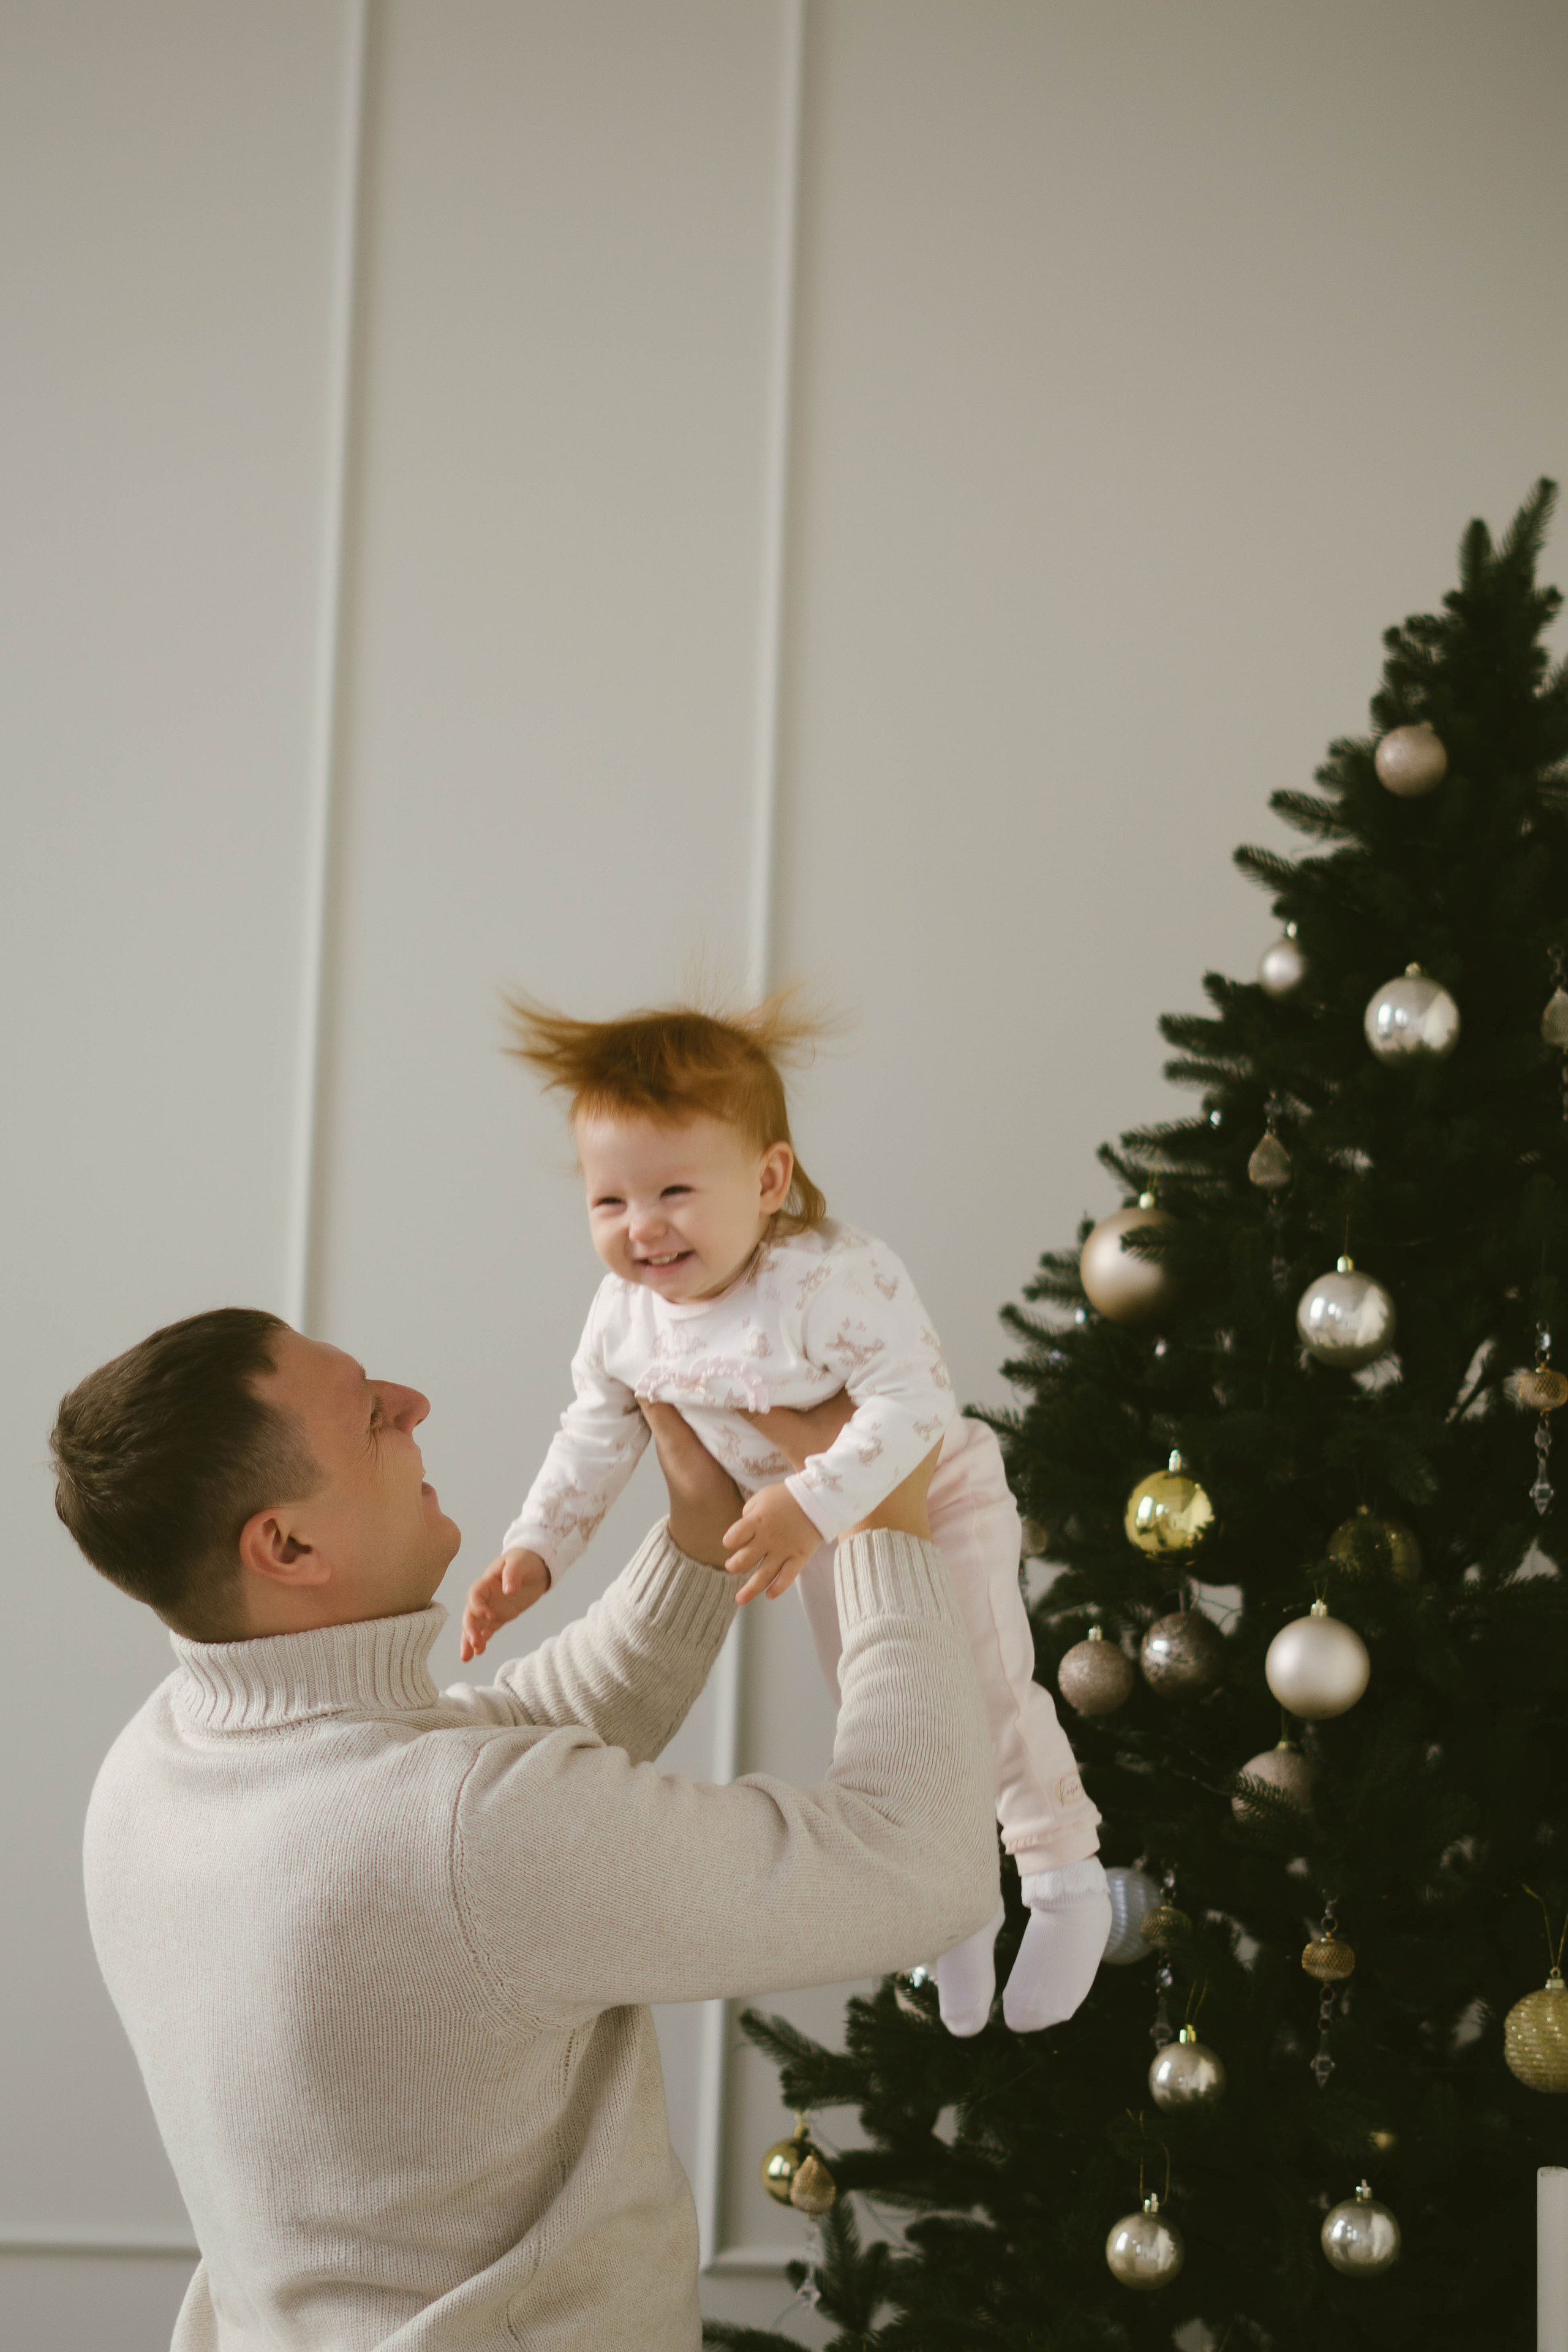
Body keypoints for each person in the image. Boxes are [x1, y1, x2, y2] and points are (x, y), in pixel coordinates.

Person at [52, 1306, 998, 2352]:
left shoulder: (159, 1764)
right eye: (370, 1414)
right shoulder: (457, 1834)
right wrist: (880, 1523)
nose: (413, 1406)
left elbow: (475, 1769)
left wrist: (696, 1541)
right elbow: (918, 1863)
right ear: (287, 1543)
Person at [462, 994, 1110, 2036]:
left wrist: (812, 1502)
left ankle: (1063, 1871)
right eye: (609, 1203)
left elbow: (915, 1404)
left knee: (986, 1683)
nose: (644, 1229)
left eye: (674, 1191)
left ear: (767, 1181)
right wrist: (537, 1551)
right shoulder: (623, 1317)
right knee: (885, 1705)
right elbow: (596, 1432)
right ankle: (958, 1906)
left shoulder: (825, 1278)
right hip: (804, 1528)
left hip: (927, 1494)